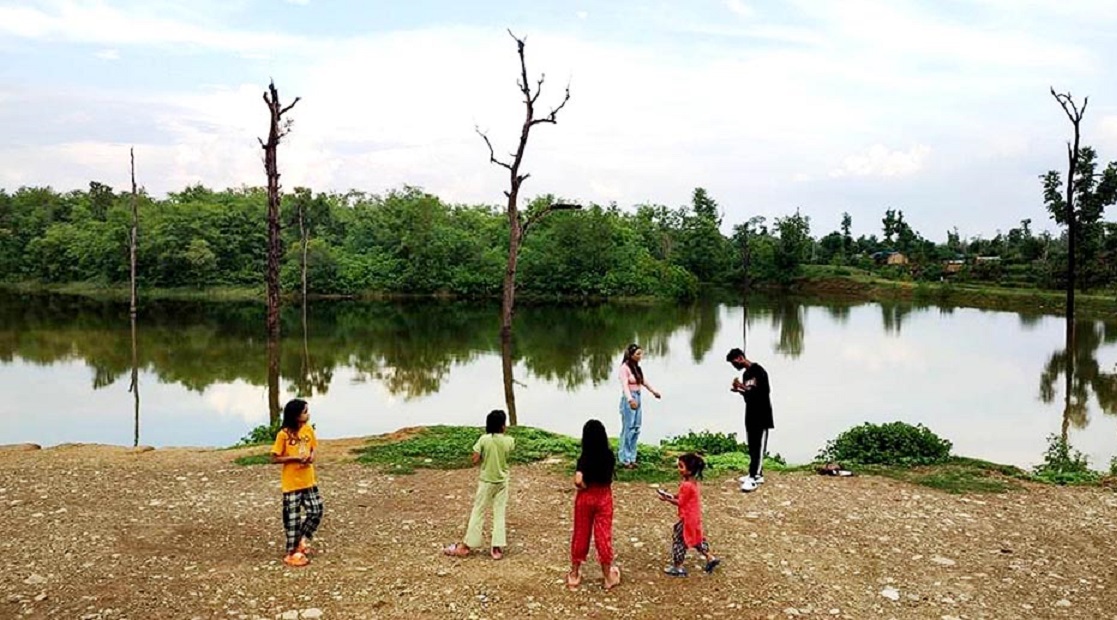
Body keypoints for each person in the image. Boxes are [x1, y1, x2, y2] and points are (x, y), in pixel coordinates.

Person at [443, 410, 516, 560]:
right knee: (499, 513)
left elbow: (475, 459)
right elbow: (507, 454)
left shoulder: (483, 439)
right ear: (503, 426)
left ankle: (466, 546)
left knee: (478, 511)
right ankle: (496, 548)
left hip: (486, 481)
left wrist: (483, 455)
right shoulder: (510, 440)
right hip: (502, 481)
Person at [567, 419, 622, 591]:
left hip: (585, 497)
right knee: (603, 536)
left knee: (581, 534)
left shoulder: (584, 457)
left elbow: (578, 480)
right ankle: (607, 577)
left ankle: (575, 575)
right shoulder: (609, 456)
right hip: (603, 497)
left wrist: (583, 487)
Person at [270, 398, 324, 568]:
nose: (308, 415)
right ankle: (292, 552)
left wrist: (311, 457)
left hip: (308, 480)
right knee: (292, 519)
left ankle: (302, 539)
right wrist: (293, 458)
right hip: (292, 483)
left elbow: (313, 448)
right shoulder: (284, 435)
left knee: (316, 510)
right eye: (304, 412)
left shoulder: (308, 430)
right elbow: (274, 458)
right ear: (295, 415)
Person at [657, 453, 720, 577]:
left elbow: (680, 502)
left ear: (689, 470)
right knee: (696, 538)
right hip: (694, 518)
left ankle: (678, 566)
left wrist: (667, 499)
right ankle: (710, 557)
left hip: (686, 519)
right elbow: (683, 497)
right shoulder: (692, 483)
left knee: (679, 540)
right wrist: (672, 495)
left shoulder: (686, 485)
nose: (678, 469)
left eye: (681, 466)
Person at [726, 347, 774, 493]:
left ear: (740, 358)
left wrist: (741, 386)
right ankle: (754, 473)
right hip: (750, 414)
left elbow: (762, 393)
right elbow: (749, 396)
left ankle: (754, 477)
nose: (735, 366)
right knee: (752, 445)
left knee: (758, 446)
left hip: (762, 414)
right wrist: (739, 390)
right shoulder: (746, 374)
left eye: (734, 363)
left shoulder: (759, 371)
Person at [617, 343, 661, 468]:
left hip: (638, 396)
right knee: (628, 428)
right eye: (638, 354)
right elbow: (625, 386)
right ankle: (624, 458)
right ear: (630, 355)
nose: (640, 356)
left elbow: (643, 381)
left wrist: (653, 391)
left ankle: (632, 457)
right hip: (630, 398)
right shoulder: (624, 368)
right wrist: (630, 400)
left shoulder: (636, 368)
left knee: (636, 427)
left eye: (641, 354)